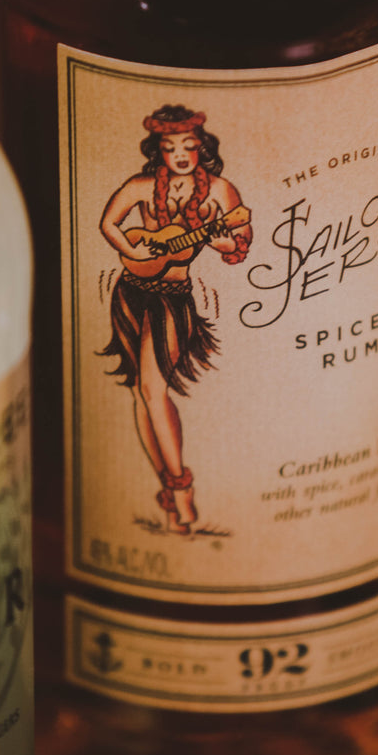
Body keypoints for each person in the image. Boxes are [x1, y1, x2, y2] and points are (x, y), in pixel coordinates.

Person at [98, 104, 252, 534]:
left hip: (172, 298)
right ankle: (167, 488)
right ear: (158, 151)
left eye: (189, 146)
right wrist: (131, 250)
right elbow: (110, 223)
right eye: (171, 147)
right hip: (131, 292)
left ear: (201, 146)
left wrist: (223, 242)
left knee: (152, 386)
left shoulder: (219, 192)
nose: (181, 154)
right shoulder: (142, 186)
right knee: (140, 394)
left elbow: (240, 240)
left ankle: (182, 489)